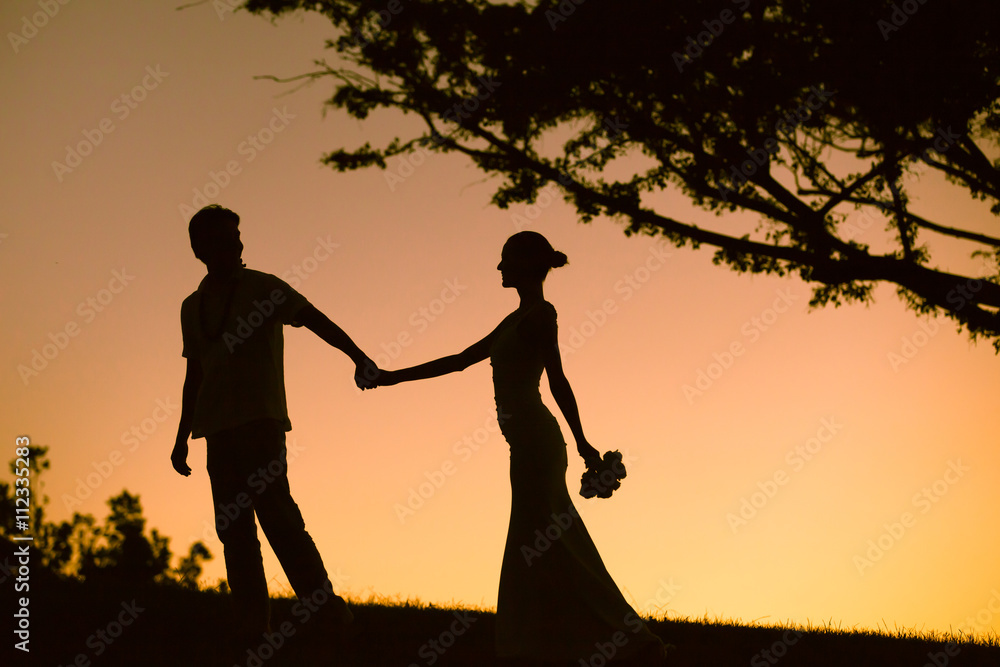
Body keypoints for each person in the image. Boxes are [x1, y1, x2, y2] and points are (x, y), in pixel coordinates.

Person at [373, 231, 667, 665]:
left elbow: (558, 380)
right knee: (547, 541)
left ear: (528, 265)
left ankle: (629, 643)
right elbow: (458, 361)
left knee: (549, 540)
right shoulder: (515, 318)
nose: (498, 267)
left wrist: (584, 442)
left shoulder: (541, 315)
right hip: (525, 444)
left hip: (538, 443)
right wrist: (391, 377)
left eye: (506, 259)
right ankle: (561, 643)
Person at [171, 205, 375, 641]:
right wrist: (181, 436)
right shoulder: (192, 307)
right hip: (218, 432)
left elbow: (316, 320)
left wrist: (358, 358)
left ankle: (324, 609)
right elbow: (195, 374)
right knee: (234, 532)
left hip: (261, 424)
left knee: (279, 518)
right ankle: (252, 629)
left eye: (238, 235)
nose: (238, 244)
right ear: (200, 248)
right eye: (227, 237)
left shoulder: (265, 288)